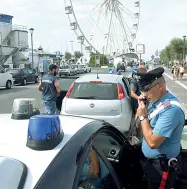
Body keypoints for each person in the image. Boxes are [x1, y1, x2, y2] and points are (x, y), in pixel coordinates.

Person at [136, 67, 185, 189]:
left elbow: (153, 142)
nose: (144, 94)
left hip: (162, 168)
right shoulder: (154, 103)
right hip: (151, 164)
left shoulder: (171, 110)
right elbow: (138, 128)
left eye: (147, 90)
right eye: (142, 90)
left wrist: (143, 117)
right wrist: (142, 111)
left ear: (160, 86)